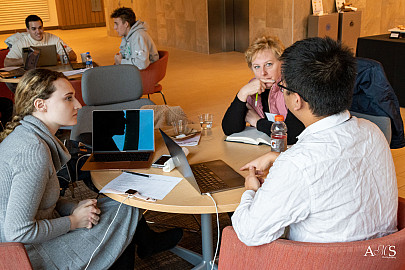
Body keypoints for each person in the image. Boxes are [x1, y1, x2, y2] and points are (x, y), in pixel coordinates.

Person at [0, 69, 182, 269]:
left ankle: (142, 245)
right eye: (68, 98)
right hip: (30, 254)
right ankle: (143, 244)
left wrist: (75, 208)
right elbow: (17, 232)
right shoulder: (33, 152)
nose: (78, 105)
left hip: (33, 238)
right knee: (127, 207)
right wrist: (73, 221)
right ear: (40, 105)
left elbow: (41, 201)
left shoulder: (27, 136)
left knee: (123, 201)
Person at [231, 37, 398, 246]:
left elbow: (249, 233)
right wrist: (279, 156)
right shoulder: (373, 132)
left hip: (320, 261)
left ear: (297, 100)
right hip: (383, 257)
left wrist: (251, 191)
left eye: (282, 87)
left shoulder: (297, 164)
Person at [222, 36, 305, 145]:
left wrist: (257, 122)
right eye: (257, 67)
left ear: (282, 63)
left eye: (269, 64)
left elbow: (291, 136)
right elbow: (229, 129)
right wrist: (242, 93)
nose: (263, 73)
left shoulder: (292, 88)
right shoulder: (252, 88)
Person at [4, 15, 77, 67]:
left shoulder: (53, 38)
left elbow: (73, 56)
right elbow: (6, 63)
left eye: (40, 28)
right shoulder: (21, 42)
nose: (38, 31)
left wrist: (54, 57)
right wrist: (25, 60)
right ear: (28, 30)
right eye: (33, 29)